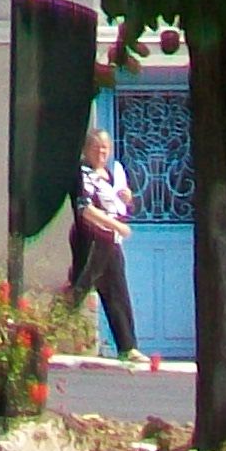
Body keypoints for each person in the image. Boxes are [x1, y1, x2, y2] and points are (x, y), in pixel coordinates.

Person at [71, 126, 141, 360]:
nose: (102, 152)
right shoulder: (82, 174)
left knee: (118, 292)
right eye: (97, 147)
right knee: (78, 290)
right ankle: (46, 332)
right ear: (86, 149)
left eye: (105, 148)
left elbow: (121, 209)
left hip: (111, 243)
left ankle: (127, 347)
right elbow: (85, 209)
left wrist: (128, 200)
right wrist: (116, 226)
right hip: (92, 243)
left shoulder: (111, 176)